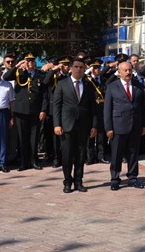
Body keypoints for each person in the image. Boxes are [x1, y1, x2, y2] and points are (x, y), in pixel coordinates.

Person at [53, 58, 98, 193]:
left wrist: (94, 126)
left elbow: (93, 108)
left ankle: (78, 181)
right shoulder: (62, 84)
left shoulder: (89, 85)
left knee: (80, 155)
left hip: (83, 126)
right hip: (67, 125)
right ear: (71, 68)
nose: (79, 69)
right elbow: (56, 106)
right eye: (76, 67)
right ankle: (67, 182)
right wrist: (57, 124)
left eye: (82, 67)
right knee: (67, 156)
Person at [104, 62, 145, 191]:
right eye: (125, 70)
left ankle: (133, 178)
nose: (128, 72)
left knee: (133, 153)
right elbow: (107, 109)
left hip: (135, 125)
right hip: (118, 125)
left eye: (130, 70)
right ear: (120, 72)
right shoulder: (112, 87)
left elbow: (143, 108)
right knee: (116, 154)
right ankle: (115, 179)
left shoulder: (138, 86)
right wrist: (109, 128)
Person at [3, 52, 48, 171]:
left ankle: (34, 161)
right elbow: (6, 77)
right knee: (22, 138)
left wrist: (43, 109)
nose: (30, 63)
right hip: (21, 110)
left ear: (35, 62)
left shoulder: (40, 75)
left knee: (34, 138)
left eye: (32, 61)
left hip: (35, 111)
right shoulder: (19, 72)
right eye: (27, 61)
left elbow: (44, 94)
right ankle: (24, 162)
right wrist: (17, 66)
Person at [42, 56, 71, 167]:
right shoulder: (54, 76)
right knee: (54, 137)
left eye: (68, 65)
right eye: (63, 64)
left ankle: (65, 156)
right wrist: (55, 69)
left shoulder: (69, 77)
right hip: (54, 110)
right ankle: (55, 157)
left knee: (65, 136)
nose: (66, 67)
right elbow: (45, 81)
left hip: (67, 110)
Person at [86, 59, 110, 164]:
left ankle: (101, 156)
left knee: (101, 135)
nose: (97, 70)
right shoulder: (87, 80)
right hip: (91, 109)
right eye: (94, 68)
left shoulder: (103, 79)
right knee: (91, 134)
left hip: (101, 109)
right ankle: (90, 157)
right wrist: (88, 71)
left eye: (98, 68)